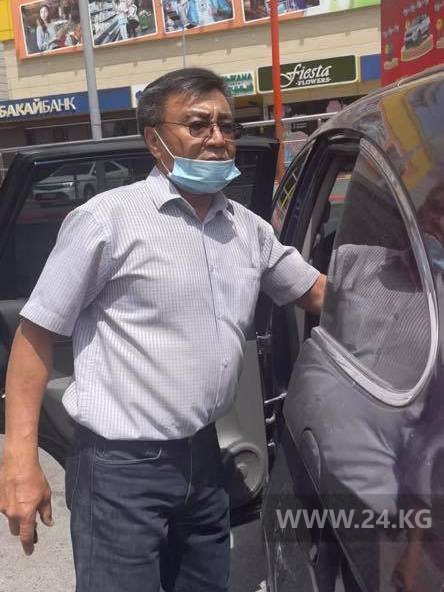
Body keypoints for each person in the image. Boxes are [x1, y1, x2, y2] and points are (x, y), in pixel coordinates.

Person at [0, 68, 326, 592]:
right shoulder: (106, 221)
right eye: (197, 125)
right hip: (119, 469)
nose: (217, 138)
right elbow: (35, 335)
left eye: (226, 125)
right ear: (155, 141)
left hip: (205, 456)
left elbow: (316, 293)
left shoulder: (246, 228)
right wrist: (19, 459)